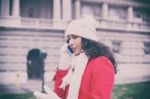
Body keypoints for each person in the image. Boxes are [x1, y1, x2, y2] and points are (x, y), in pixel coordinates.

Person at [34, 15, 117, 99]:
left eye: (74, 37)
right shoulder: (74, 64)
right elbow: (60, 95)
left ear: (87, 39)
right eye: (69, 38)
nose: (70, 42)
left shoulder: (101, 63)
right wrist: (63, 64)